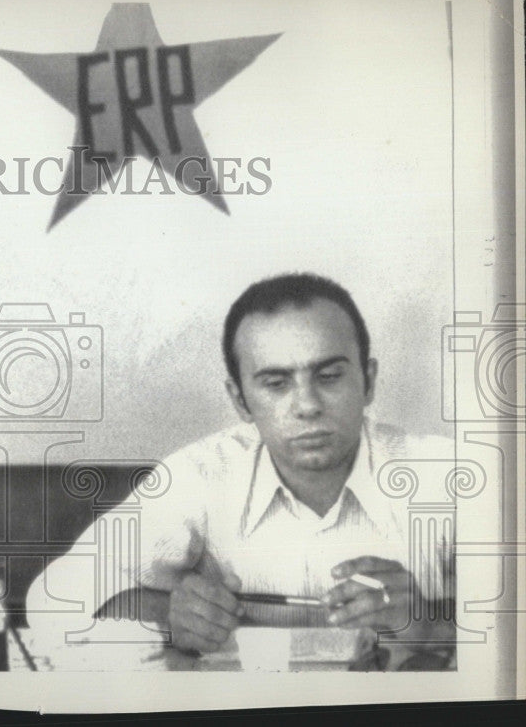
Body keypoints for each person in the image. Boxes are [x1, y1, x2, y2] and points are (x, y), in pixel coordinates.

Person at [26, 273, 456, 668]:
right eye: (276, 383)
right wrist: (169, 615)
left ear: (369, 380)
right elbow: (52, 599)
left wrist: (431, 625)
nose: (307, 406)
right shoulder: (201, 474)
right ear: (240, 401)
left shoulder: (444, 475)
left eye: (329, 376)